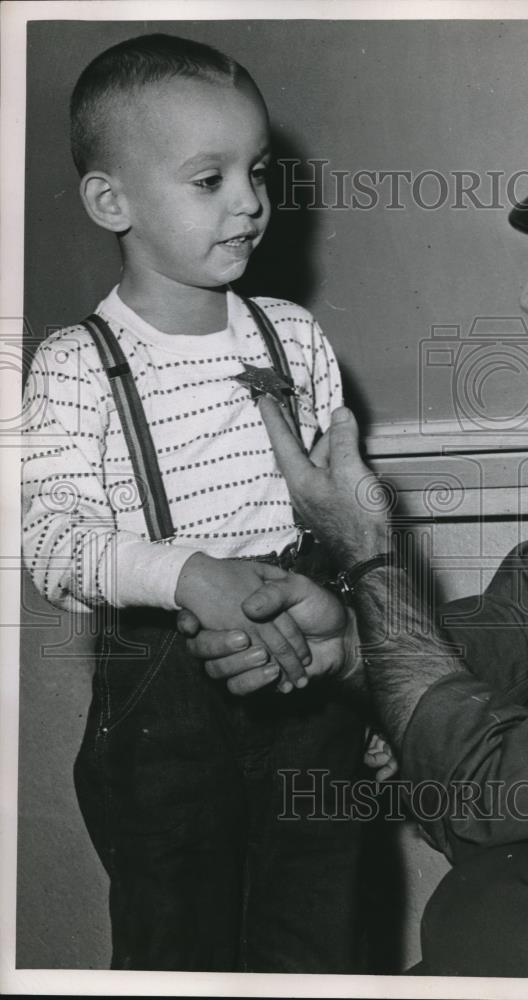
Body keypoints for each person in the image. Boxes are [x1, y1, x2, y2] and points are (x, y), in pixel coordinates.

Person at [180, 39, 528, 979]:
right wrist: (358, 643)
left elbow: (498, 796)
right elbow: (526, 628)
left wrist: (370, 560)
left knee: (505, 908)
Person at [21, 33, 365, 972]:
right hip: (161, 703)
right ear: (110, 201)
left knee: (318, 939)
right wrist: (189, 577)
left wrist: (363, 692)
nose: (251, 201)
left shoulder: (292, 336)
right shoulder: (74, 365)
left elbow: (345, 521)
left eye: (256, 171)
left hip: (306, 688)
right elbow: (50, 540)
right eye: (209, 179)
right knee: (179, 945)